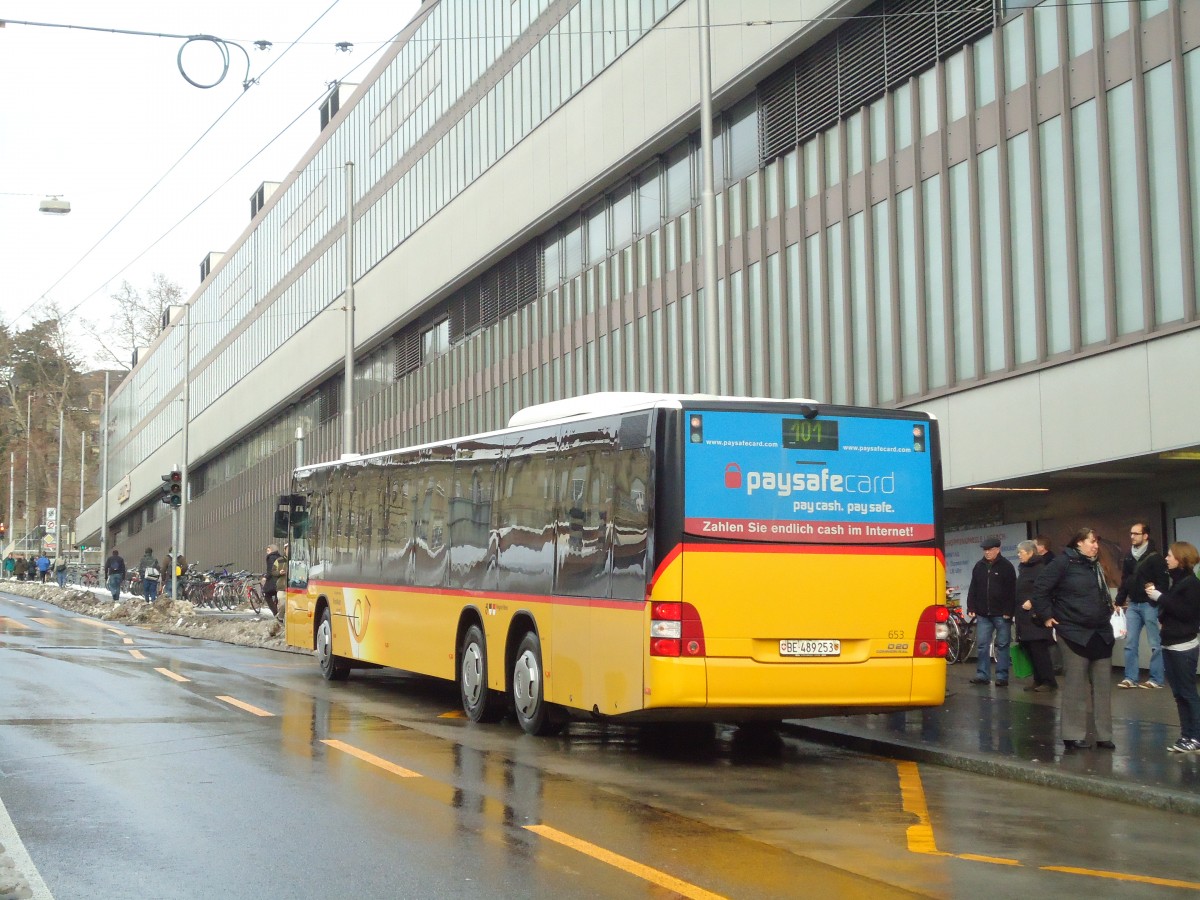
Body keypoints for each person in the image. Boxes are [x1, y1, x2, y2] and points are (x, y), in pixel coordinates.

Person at [1032, 526, 1116, 751]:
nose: (1095, 545)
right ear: (1078, 542)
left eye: (1097, 541)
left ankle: (1104, 735)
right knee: (1075, 686)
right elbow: (1040, 589)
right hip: (1073, 632)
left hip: (1101, 632)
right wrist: (1047, 616)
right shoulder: (1063, 563)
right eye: (1091, 541)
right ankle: (1073, 735)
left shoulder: (1095, 565)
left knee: (1102, 687)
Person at [1145, 542, 1200, 753]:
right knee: (1179, 693)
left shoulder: (1192, 584)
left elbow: (1187, 612)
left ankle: (1195, 736)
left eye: (1169, 555)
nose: (1166, 559)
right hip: (1170, 644)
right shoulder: (1176, 582)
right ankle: (1186, 735)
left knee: (1187, 693)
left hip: (1183, 646)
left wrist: (1160, 597)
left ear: (1181, 559)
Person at [1115, 522, 1169, 689]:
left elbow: (1164, 583)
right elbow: (1125, 580)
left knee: (1155, 644)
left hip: (1149, 605)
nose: (1132, 536)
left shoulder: (1155, 557)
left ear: (1145, 536)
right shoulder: (1129, 556)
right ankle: (1130, 678)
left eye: (1136, 534)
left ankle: (1156, 679)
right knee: (1130, 643)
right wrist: (1119, 601)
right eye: (1131, 533)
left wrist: (1155, 600)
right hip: (1133, 604)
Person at [967, 536, 1017, 686]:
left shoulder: (1006, 566)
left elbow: (1011, 591)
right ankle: (982, 675)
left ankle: (1002, 677)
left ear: (997, 549)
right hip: (983, 614)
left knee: (1002, 645)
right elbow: (973, 588)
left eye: (989, 550)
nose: (987, 552)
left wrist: (1009, 610)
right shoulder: (979, 566)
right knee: (982, 644)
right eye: (985, 550)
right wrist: (971, 606)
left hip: (1002, 613)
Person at [1014, 539, 1057, 692]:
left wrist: (1032, 601)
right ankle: (1038, 680)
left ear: (1031, 552)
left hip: (1035, 617)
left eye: (1021, 552)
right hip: (1023, 618)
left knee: (1039, 650)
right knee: (1030, 649)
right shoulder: (1024, 569)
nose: (1019, 555)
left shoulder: (1040, 568)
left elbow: (1046, 589)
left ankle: (1048, 681)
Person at [263, 544, 282, 615]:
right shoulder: (279, 557)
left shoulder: (270, 557)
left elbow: (271, 570)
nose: (267, 552)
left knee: (267, 594)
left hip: (272, 580)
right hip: (280, 580)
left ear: (272, 550)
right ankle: (279, 612)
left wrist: (266, 577)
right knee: (277, 595)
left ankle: (275, 613)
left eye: (268, 550)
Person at [272, 543, 289, 621]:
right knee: (282, 604)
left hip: (294, 588)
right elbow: (273, 572)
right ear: (284, 550)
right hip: (282, 587)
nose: (289, 551)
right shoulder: (279, 560)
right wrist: (279, 572)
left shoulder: (297, 561)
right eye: (287, 549)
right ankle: (280, 619)